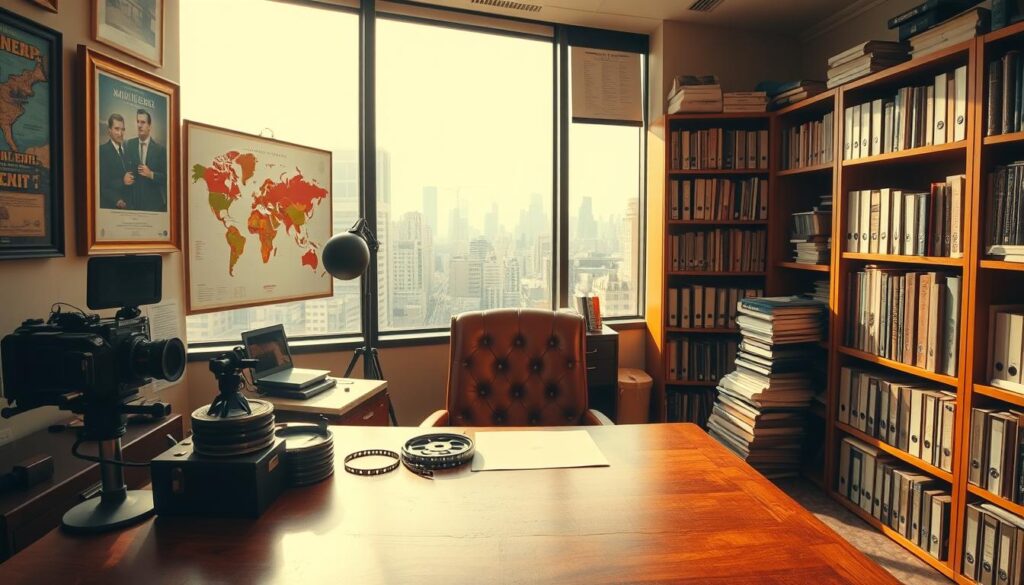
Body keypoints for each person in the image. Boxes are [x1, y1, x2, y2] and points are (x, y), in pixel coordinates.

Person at [125, 108, 167, 212]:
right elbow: (124, 167)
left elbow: (166, 178)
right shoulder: (129, 144)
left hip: (154, 206)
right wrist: (124, 177)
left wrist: (151, 174)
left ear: (149, 126)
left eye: (143, 122)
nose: (139, 125)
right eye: (138, 122)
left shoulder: (160, 149)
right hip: (133, 205)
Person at [98, 113, 134, 210]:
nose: (120, 133)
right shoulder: (102, 151)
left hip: (130, 207)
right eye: (116, 129)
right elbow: (102, 185)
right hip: (112, 207)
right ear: (109, 130)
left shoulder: (128, 150)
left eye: (122, 129)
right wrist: (123, 181)